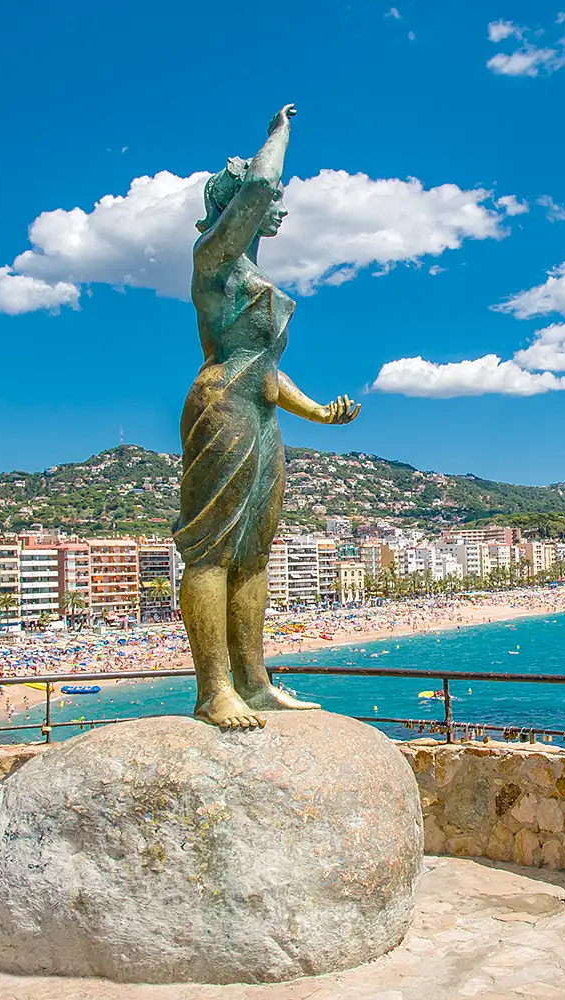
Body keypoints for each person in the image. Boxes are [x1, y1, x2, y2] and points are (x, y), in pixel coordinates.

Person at [175, 104, 360, 729]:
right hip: (222, 405)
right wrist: (279, 133)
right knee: (210, 548)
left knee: (254, 548)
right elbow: (259, 185)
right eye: (271, 197)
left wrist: (319, 413)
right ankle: (212, 690)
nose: (278, 203)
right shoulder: (214, 260)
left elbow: (268, 371)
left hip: (259, 409)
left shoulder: (248, 271)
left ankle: (254, 681)